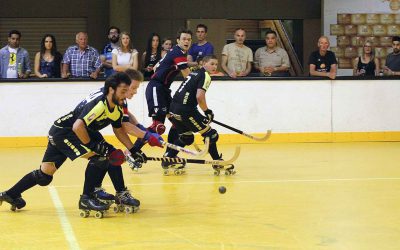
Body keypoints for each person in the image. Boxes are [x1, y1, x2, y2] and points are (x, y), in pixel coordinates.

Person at [0, 72, 163, 213]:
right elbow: (78, 126)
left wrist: (133, 149)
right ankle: (87, 198)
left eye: (128, 90)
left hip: (78, 131)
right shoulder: (100, 104)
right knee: (101, 158)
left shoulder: (117, 102)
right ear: (112, 89)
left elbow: (119, 128)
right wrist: (94, 147)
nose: (127, 94)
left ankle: (10, 194)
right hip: (65, 132)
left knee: (44, 176)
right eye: (124, 91)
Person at [129, 28, 192, 168]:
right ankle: (131, 153)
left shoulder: (175, 53)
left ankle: (169, 157)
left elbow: (158, 67)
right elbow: (188, 77)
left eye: (189, 39)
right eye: (184, 39)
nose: (186, 41)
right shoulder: (177, 52)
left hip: (163, 90)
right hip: (156, 88)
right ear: (178, 41)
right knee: (158, 126)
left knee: (176, 122)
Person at [162, 55, 234, 175]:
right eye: (212, 63)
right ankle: (217, 162)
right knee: (211, 134)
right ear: (203, 63)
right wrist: (207, 112)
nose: (214, 66)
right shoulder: (205, 76)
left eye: (216, 64)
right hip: (186, 110)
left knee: (187, 137)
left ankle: (168, 158)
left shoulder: (193, 73)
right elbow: (199, 96)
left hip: (174, 109)